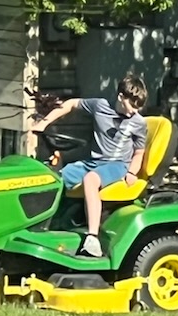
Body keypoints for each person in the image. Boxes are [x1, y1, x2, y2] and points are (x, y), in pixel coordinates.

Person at [32, 75, 148, 258]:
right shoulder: (100, 106)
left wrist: (133, 171)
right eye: (132, 105)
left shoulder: (138, 123)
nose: (135, 111)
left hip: (117, 165)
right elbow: (71, 104)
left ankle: (93, 238)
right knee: (54, 177)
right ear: (121, 97)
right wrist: (44, 122)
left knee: (90, 179)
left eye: (138, 107)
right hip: (94, 162)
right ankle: (46, 226)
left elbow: (139, 152)